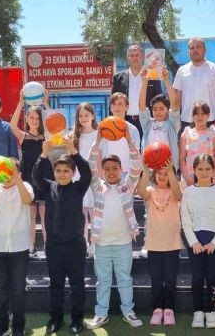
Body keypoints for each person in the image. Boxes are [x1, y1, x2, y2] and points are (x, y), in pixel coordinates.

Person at [32, 138, 92, 335]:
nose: (62, 174)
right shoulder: (48, 187)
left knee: (77, 284)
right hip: (54, 245)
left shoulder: (79, 187)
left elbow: (87, 172)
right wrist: (43, 154)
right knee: (55, 284)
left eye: (66, 171)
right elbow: (36, 176)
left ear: (73, 173)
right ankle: (55, 319)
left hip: (75, 244)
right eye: (58, 171)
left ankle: (77, 319)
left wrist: (73, 151)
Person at [85, 129, 144, 330]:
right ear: (102, 171)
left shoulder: (127, 185)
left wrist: (129, 140)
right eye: (107, 169)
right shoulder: (97, 186)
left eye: (115, 168)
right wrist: (97, 141)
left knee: (125, 280)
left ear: (121, 169)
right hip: (101, 244)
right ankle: (101, 313)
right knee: (103, 281)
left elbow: (137, 165)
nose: (111, 172)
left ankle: (128, 311)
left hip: (123, 243)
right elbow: (90, 163)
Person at [0, 158, 34, 336]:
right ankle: (1, 328)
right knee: (1, 290)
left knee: (18, 289)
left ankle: (18, 327)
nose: (6, 174)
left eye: (10, 171)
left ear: (18, 173)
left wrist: (17, 179)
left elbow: (27, 200)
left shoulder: (25, 186)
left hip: (20, 246)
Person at [180, 154, 215, 329]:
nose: (204, 172)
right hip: (196, 244)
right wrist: (193, 242)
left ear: (214, 170)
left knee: (212, 276)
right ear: (194, 170)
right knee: (198, 277)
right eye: (200, 169)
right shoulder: (188, 192)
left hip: (213, 243)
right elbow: (185, 219)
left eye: (208, 168)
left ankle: (211, 311)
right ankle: (198, 311)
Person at [136, 158, 183, 326]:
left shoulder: (175, 191)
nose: (162, 176)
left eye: (166, 173)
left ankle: (169, 309)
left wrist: (171, 171)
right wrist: (146, 171)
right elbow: (141, 191)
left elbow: (178, 194)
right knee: (156, 280)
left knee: (170, 280)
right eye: (159, 173)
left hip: (172, 244)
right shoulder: (151, 191)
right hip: (154, 244)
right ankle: (157, 309)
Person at [10, 91, 47, 253]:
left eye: (37, 118)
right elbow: (12, 126)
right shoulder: (23, 136)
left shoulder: (46, 135)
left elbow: (54, 123)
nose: (34, 120)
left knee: (44, 213)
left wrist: (46, 103)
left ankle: (47, 244)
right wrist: (20, 103)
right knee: (31, 213)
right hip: (28, 176)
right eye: (31, 117)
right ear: (26, 119)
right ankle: (31, 244)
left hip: (44, 175)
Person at [173, 37, 215, 132]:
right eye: (192, 48)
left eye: (198, 47)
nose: (195, 50)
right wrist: (176, 118)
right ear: (188, 52)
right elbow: (177, 97)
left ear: (205, 50)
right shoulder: (181, 71)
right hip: (186, 120)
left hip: (209, 120)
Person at [111, 44, 163, 137]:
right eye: (131, 55)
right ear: (127, 58)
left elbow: (159, 100)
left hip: (147, 121)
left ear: (142, 57)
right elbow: (113, 102)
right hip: (125, 121)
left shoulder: (152, 75)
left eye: (137, 55)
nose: (134, 58)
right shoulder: (118, 78)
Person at [138, 66, 181, 170]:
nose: (158, 112)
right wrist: (144, 81)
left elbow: (175, 103)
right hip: (150, 167)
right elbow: (141, 105)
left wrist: (166, 80)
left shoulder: (171, 124)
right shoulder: (148, 123)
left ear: (167, 110)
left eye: (162, 109)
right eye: (155, 109)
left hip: (168, 167)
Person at [69, 103, 99, 249]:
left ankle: (94, 244)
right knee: (81, 213)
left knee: (94, 212)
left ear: (93, 116)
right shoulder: (73, 136)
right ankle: (83, 244)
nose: (84, 118)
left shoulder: (99, 134)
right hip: (78, 178)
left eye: (87, 115)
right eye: (80, 116)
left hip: (94, 177)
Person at [178, 101, 215, 187]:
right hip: (190, 177)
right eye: (197, 114)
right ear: (193, 116)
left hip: (211, 178)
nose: (200, 117)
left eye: (203, 114)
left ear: (208, 115)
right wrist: (187, 178)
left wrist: (212, 176)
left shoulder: (213, 134)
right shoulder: (186, 134)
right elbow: (182, 158)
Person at [99, 92, 141, 174]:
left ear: (127, 107)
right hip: (108, 174)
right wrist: (100, 174)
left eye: (120, 104)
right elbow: (98, 152)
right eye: (114, 104)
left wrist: (135, 174)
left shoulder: (133, 129)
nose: (116, 107)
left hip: (127, 174)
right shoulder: (103, 127)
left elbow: (137, 155)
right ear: (110, 107)